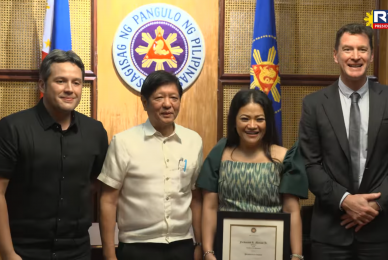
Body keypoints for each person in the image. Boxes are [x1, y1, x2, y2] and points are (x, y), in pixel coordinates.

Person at [299, 23, 388, 260]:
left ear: (371, 55)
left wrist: (374, 205)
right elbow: (310, 164)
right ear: (335, 55)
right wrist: (345, 200)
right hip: (330, 232)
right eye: (347, 49)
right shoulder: (313, 105)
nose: (355, 56)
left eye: (362, 49)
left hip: (380, 230)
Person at [0, 49, 108, 260]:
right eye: (61, 81)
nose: (70, 89)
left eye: (76, 83)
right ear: (42, 85)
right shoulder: (12, 128)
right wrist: (7, 253)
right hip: (23, 251)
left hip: (77, 251)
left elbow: (97, 184)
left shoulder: (95, 131)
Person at [98, 70, 203, 260]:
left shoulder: (193, 141)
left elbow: (195, 198)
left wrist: (199, 244)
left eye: (174, 98)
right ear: (145, 103)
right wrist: (109, 253)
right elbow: (108, 200)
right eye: (159, 98)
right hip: (136, 247)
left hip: (182, 245)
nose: (167, 104)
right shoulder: (123, 142)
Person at [197, 89, 308, 260]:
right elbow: (210, 207)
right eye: (245, 118)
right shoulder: (219, 156)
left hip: (273, 252)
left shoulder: (284, 158)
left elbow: (291, 210)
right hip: (227, 251)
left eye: (259, 119)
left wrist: (297, 255)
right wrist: (208, 251)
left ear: (268, 122)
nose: (252, 125)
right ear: (234, 121)